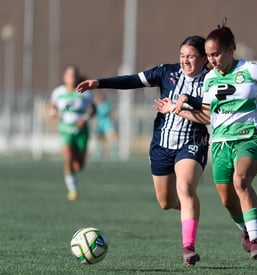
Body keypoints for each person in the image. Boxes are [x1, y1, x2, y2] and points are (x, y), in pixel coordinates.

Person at [156, 24, 257, 260]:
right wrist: (177, 109)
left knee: (241, 181)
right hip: (220, 144)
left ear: (231, 49)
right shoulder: (209, 79)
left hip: (251, 138)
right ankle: (246, 232)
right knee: (227, 200)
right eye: (208, 55)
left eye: (216, 54)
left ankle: (256, 239)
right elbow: (205, 115)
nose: (212, 60)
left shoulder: (250, 69)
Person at [76, 35, 210, 266]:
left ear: (204, 58)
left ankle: (188, 248)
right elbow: (133, 80)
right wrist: (98, 83)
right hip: (161, 145)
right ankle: (188, 210)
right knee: (165, 202)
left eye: (191, 57)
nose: (185, 61)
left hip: (193, 142)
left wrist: (181, 107)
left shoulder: (211, 79)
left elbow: (210, 114)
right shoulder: (167, 72)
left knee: (186, 187)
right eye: (182, 56)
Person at [50, 65, 96, 201]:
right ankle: (72, 190)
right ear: (64, 77)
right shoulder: (58, 92)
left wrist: (85, 118)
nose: (72, 77)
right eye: (69, 75)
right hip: (65, 130)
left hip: (81, 132)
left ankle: (73, 173)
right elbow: (53, 107)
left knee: (78, 165)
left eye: (74, 75)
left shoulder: (85, 92)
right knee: (68, 159)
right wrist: (53, 112)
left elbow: (93, 110)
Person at [93, 92, 119, 161]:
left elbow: (111, 114)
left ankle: (115, 156)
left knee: (112, 139)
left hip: (108, 124)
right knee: (99, 140)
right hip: (100, 124)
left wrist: (114, 121)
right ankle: (97, 156)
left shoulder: (107, 104)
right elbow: (94, 114)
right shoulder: (96, 105)